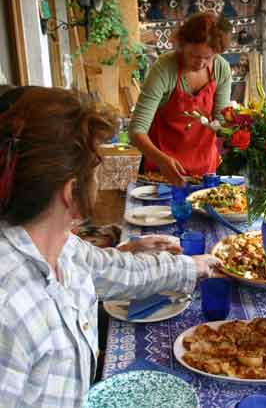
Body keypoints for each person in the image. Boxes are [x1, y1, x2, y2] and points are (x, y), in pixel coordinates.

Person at [0, 87, 219, 408]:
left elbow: (113, 269)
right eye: (95, 169)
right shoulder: (9, 307)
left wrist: (195, 266)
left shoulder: (57, 246)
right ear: (71, 191)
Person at [129, 12, 233, 186]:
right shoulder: (164, 68)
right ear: (182, 45)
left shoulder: (221, 68)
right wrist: (162, 160)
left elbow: (220, 121)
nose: (200, 63)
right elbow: (136, 130)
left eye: (208, 58)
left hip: (204, 170)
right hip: (161, 171)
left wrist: (237, 135)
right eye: (194, 55)